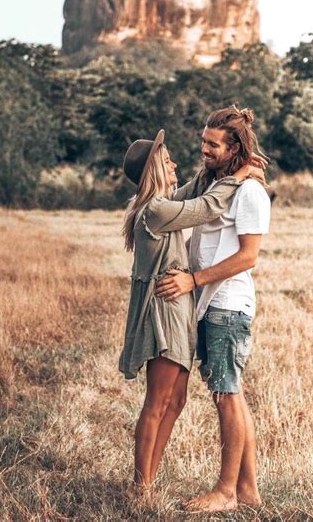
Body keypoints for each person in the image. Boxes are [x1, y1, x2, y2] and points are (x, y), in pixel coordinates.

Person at [118, 128, 264, 490]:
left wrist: (217, 171)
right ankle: (142, 485)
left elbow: (194, 193)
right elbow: (205, 206)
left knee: (176, 399)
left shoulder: (162, 204)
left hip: (178, 307)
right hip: (166, 310)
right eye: (167, 161)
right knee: (158, 400)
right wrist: (238, 175)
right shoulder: (155, 210)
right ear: (154, 169)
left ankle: (148, 480)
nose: (176, 162)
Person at [155, 107, 271, 512]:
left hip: (226, 305)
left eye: (212, 145)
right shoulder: (213, 182)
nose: (203, 149)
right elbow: (176, 204)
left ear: (234, 147)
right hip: (209, 305)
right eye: (203, 141)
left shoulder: (250, 192)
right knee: (231, 395)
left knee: (227, 395)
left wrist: (193, 280)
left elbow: (248, 257)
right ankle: (249, 491)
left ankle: (225, 492)